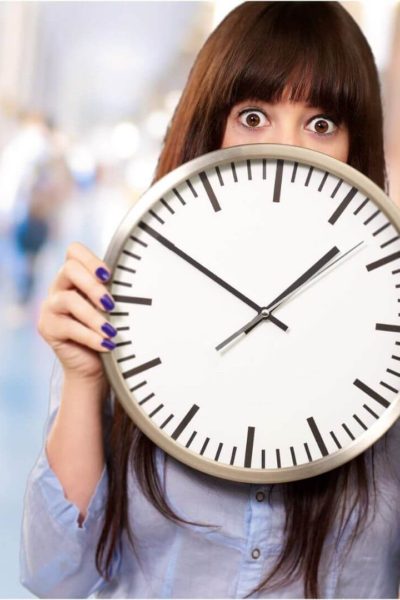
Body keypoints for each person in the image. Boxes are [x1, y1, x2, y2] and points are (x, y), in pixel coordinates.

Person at [20, 2, 400, 598]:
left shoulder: (389, 332)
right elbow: (55, 577)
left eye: (321, 123)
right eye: (253, 115)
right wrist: (83, 379)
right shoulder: (132, 299)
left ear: (357, 144)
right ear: (210, 126)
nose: (285, 147)